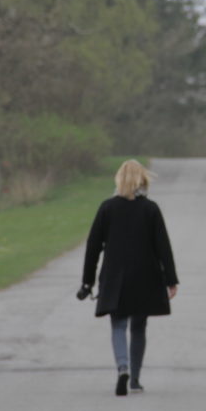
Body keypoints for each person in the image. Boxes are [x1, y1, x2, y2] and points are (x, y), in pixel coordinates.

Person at [81, 159, 179, 396]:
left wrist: (88, 280)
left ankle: (122, 367)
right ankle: (135, 378)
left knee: (118, 323)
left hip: (115, 276)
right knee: (138, 326)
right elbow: (162, 246)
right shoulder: (150, 209)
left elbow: (93, 246)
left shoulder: (107, 208)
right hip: (145, 276)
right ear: (142, 181)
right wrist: (171, 280)